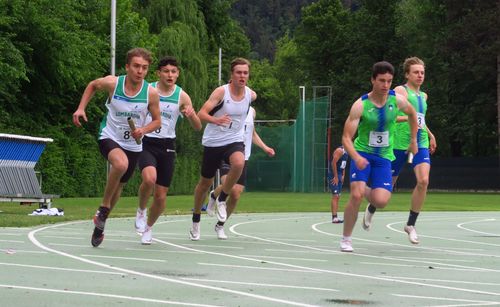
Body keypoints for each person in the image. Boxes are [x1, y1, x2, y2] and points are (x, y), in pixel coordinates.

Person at [72, 48, 161, 247]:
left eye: (144, 68)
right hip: (110, 136)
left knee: (119, 186)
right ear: (128, 66)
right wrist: (81, 108)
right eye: (136, 66)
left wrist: (143, 130)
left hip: (133, 144)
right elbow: (93, 85)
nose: (140, 71)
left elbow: (157, 122)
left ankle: (100, 226)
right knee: (120, 165)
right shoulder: (114, 83)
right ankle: (103, 209)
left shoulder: (151, 93)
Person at [340, 61, 418, 252]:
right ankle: (346, 239)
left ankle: (367, 190)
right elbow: (346, 138)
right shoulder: (360, 105)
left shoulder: (396, 100)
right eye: (381, 80)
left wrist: (413, 140)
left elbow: (412, 114)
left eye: (389, 81)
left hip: (383, 157)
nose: (385, 85)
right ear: (373, 80)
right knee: (356, 196)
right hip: (362, 154)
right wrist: (356, 157)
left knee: (381, 201)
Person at [134, 56, 202, 244]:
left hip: (167, 145)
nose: (170, 75)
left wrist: (190, 115)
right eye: (166, 71)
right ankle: (141, 210)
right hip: (147, 141)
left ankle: (148, 228)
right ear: (159, 73)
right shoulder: (148, 90)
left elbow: (197, 126)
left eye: (173, 71)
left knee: (161, 196)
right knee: (149, 179)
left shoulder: (182, 96)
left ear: (178, 74)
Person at [189, 57, 256, 241]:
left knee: (239, 162)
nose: (242, 76)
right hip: (213, 142)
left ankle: (221, 198)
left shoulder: (250, 95)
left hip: (234, 140)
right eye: (238, 72)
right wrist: (216, 120)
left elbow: (251, 104)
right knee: (204, 183)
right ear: (231, 75)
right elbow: (201, 113)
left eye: (245, 73)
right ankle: (196, 220)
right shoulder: (221, 92)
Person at [205, 106, 275, 239]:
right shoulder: (228, 107)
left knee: (236, 194)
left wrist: (265, 147)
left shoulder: (252, 111)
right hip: (227, 151)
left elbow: (252, 133)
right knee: (228, 185)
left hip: (244, 156)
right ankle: (216, 196)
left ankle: (220, 224)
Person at [391, 57, 437, 244]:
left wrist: (430, 134)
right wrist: (408, 118)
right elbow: (392, 116)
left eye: (422, 72)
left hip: (420, 142)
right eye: (416, 72)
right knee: (387, 188)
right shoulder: (400, 91)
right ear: (407, 74)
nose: (420, 75)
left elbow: (420, 120)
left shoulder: (424, 96)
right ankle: (372, 207)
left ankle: (411, 224)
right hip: (400, 143)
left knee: (424, 180)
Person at [327, 145, 349, 223]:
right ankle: (334, 217)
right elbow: (333, 163)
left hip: (339, 175)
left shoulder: (347, 153)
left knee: (338, 196)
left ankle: (335, 216)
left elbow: (344, 165)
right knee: (335, 195)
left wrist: (343, 175)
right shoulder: (340, 150)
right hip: (334, 175)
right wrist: (336, 176)